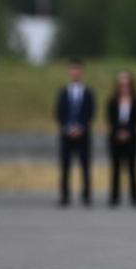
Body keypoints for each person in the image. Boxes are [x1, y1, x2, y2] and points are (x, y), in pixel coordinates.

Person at [54, 58, 95, 206]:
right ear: (69, 72)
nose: (75, 72)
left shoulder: (88, 92)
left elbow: (90, 112)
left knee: (85, 166)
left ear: (82, 72)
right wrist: (68, 128)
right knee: (65, 166)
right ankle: (64, 196)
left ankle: (86, 195)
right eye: (72, 69)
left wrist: (81, 128)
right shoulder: (63, 92)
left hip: (83, 135)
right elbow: (59, 113)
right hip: (67, 135)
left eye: (78, 69)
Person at [106, 71, 136, 206]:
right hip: (115, 138)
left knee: (132, 168)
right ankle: (114, 197)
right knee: (115, 168)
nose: (124, 87)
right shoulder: (112, 101)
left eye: (127, 84)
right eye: (121, 84)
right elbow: (110, 119)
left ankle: (135, 197)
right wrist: (119, 132)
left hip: (132, 138)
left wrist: (128, 132)